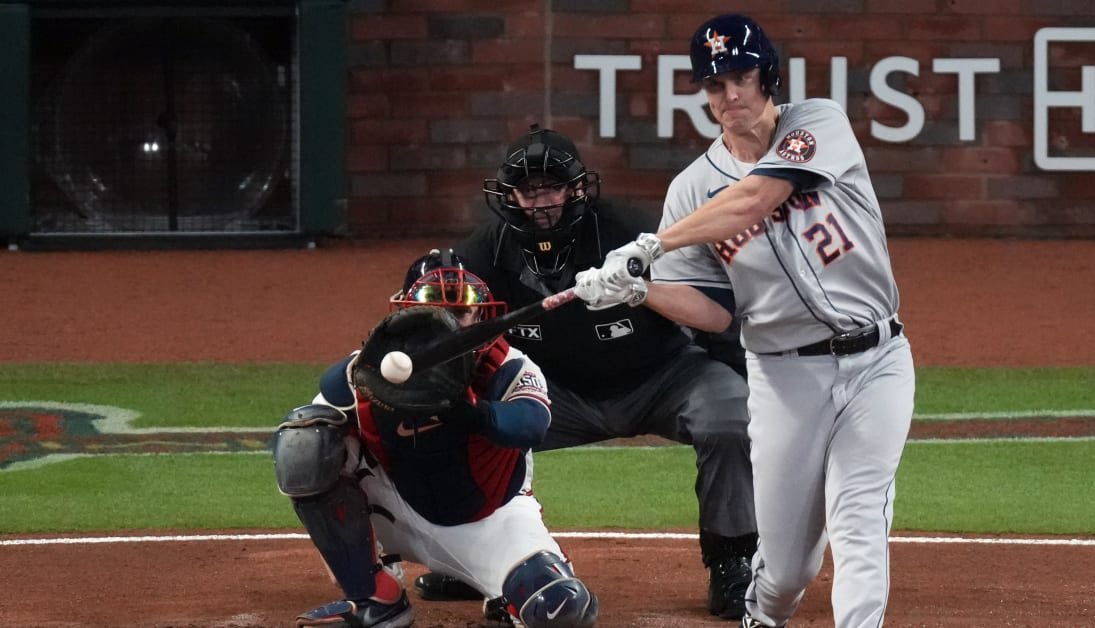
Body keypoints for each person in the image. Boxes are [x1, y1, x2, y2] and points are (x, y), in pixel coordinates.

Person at [574, 13, 917, 628]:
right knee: (786, 570)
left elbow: (759, 196)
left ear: (768, 77)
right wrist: (640, 289)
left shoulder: (819, 125)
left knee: (858, 515)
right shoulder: (692, 187)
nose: (731, 95)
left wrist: (652, 245)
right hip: (786, 380)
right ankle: (764, 615)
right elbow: (714, 312)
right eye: (714, 84)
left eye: (741, 77)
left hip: (877, 362)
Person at [412, 125, 758, 620]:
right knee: (469, 422)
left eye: (552, 187)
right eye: (528, 191)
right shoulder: (485, 255)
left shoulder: (630, 232)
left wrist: (647, 294)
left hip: (662, 377)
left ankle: (733, 560)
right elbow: (453, 328)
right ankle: (476, 558)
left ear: (577, 189)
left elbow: (706, 303)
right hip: (557, 394)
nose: (542, 202)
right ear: (508, 196)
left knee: (731, 412)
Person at [270, 250, 598, 628]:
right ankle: (375, 597)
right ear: (404, 312)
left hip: (489, 523)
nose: (448, 323)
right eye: (433, 309)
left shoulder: (508, 366)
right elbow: (303, 452)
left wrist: (468, 410)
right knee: (305, 443)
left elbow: (530, 424)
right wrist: (342, 552)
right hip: (392, 507)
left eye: (459, 312)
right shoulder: (364, 371)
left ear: (481, 315)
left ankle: (496, 583)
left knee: (561, 611)